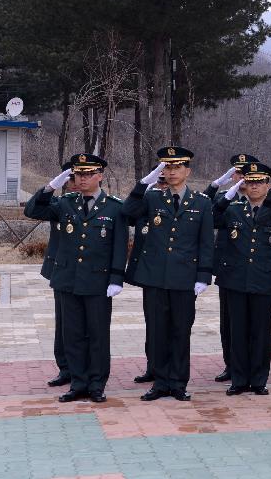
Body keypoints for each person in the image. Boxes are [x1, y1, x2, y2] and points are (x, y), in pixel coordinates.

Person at [25, 153, 128, 403]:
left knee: (97, 335)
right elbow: (33, 210)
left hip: (97, 282)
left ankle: (96, 384)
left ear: (99, 176)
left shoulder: (115, 207)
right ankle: (78, 383)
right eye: (78, 174)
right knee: (71, 335)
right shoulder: (66, 203)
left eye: (87, 174)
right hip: (67, 280)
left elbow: (120, 246)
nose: (81, 179)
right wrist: (52, 186)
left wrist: (116, 279)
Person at [123, 146, 214, 402]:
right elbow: (128, 213)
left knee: (180, 331)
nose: (172, 172)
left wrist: (203, 276)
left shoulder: (201, 203)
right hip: (155, 278)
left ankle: (178, 383)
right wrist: (142, 184)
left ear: (187, 171)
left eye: (177, 167)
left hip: (184, 279)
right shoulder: (152, 198)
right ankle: (160, 382)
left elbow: (206, 242)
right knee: (157, 331)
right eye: (167, 167)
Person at [212, 161, 271, 396]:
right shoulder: (233, 210)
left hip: (263, 281)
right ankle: (239, 379)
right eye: (249, 182)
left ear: (268, 185)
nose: (254, 186)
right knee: (238, 332)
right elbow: (213, 216)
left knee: (261, 333)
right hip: (236, 281)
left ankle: (259, 380)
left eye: (259, 182)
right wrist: (229, 191)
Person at [203, 153, 259, 384]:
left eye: (247, 174)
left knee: (253, 323)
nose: (242, 178)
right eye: (238, 173)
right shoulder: (227, 200)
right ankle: (231, 365)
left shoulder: (261, 200)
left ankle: (252, 368)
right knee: (229, 323)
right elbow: (206, 209)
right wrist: (217, 184)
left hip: (254, 271)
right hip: (228, 269)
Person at [26, 161, 75, 389]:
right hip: (62, 272)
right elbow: (32, 210)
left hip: (90, 274)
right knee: (63, 324)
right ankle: (65, 369)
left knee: (86, 326)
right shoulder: (58, 204)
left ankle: (85, 368)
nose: (75, 184)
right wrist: (50, 187)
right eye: (71, 179)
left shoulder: (103, 205)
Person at [127, 174, 168, 384]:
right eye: (159, 182)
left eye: (166, 182)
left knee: (173, 326)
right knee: (152, 325)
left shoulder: (184, 204)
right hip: (150, 276)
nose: (163, 186)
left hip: (175, 276)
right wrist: (143, 186)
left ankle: (169, 369)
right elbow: (128, 213)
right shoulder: (147, 203)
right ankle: (152, 367)